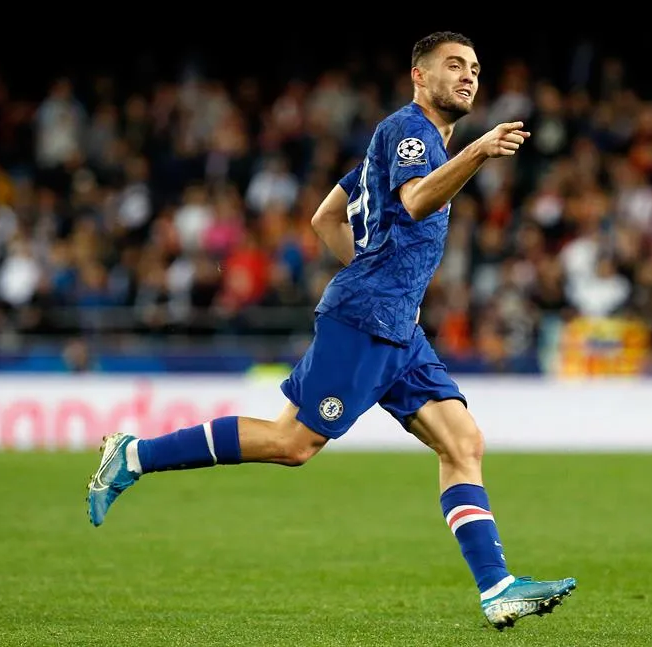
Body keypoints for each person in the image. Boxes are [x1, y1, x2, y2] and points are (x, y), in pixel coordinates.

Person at [87, 30, 576, 630]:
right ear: (419, 76)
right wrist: (474, 155)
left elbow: (325, 217)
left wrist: (378, 275)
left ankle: (497, 587)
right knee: (292, 443)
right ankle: (135, 455)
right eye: (454, 65)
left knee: (463, 442)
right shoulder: (412, 131)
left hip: (396, 324)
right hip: (370, 318)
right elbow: (418, 201)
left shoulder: (399, 144)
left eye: (474, 67)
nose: (469, 76)